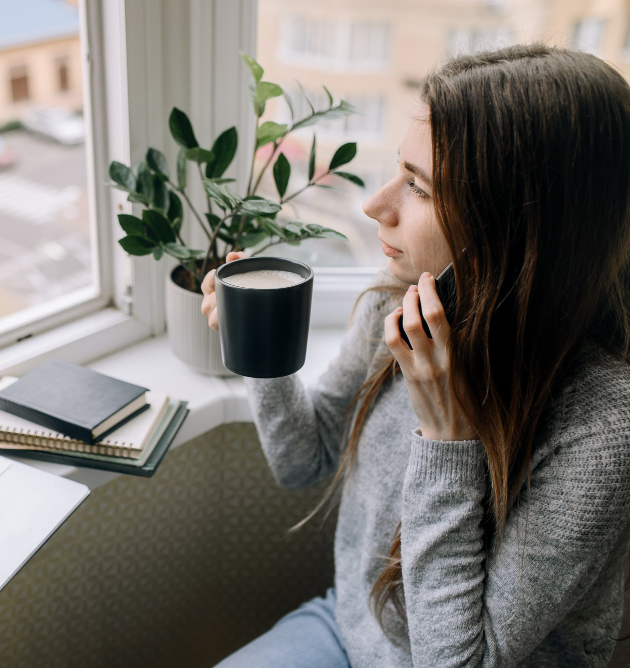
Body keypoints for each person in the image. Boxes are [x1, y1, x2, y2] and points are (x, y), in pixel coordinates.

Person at [201, 43, 630, 667]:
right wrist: (258, 347)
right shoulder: (397, 303)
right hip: (350, 632)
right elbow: (303, 459)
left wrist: (447, 439)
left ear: (518, 232)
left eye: (419, 189)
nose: (376, 207)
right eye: (397, 171)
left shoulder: (604, 424)